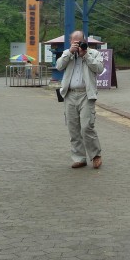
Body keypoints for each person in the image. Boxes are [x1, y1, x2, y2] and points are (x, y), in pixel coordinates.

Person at [56, 30, 105, 169]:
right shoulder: (67, 53)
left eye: (80, 41)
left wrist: (85, 56)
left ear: (85, 40)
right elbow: (59, 66)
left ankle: (95, 156)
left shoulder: (93, 53)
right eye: (74, 41)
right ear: (71, 41)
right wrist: (70, 53)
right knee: (73, 128)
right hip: (69, 94)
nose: (78, 44)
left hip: (86, 95)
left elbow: (100, 69)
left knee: (86, 127)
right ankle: (79, 158)